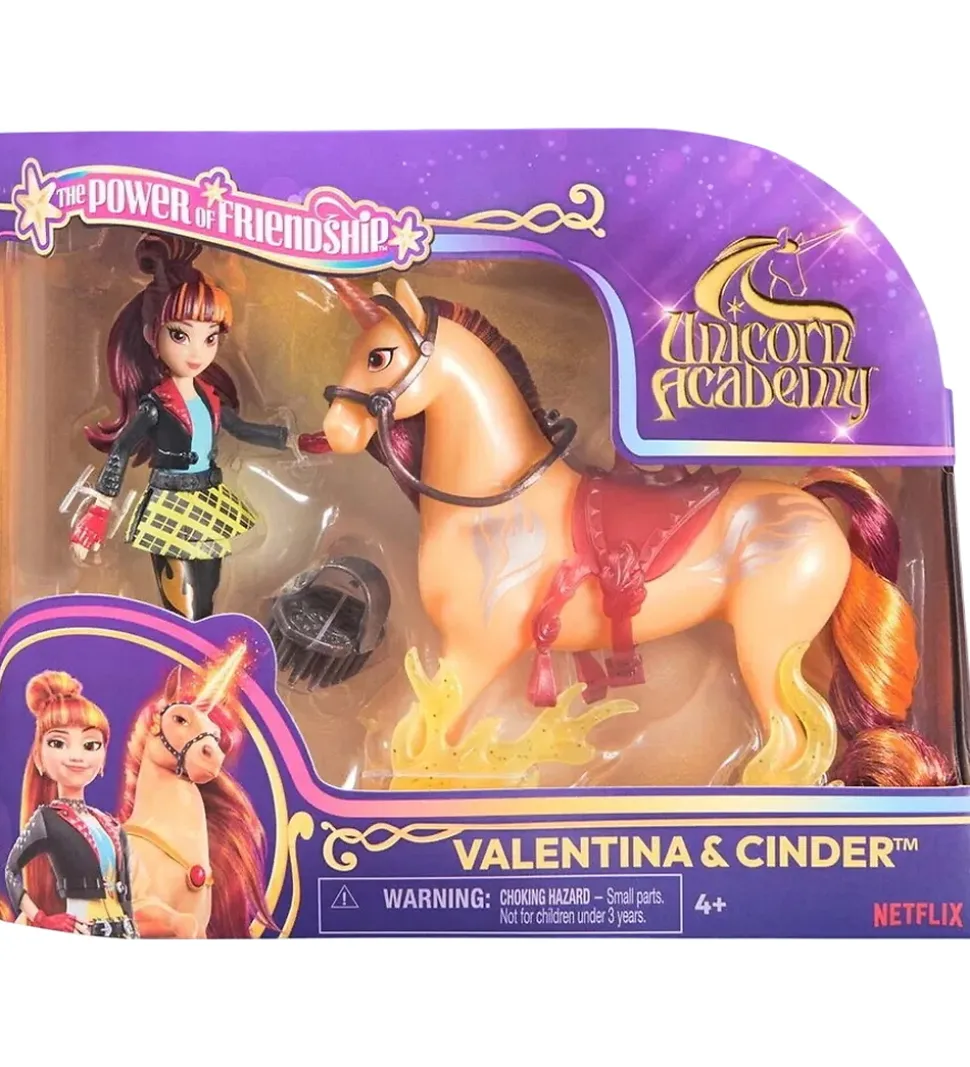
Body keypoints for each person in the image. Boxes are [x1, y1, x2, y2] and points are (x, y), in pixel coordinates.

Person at [70, 232, 317, 620]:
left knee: (208, 592)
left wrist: (296, 441)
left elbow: (243, 429)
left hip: (208, 497)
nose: (197, 352)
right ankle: (180, 646)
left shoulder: (211, 398)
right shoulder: (156, 404)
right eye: (180, 335)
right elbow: (121, 449)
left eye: (210, 338)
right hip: (170, 502)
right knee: (181, 599)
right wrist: (100, 508)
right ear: (153, 336)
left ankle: (200, 646)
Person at [4, 671, 138, 938]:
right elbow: (11, 871)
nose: (77, 756)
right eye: (58, 743)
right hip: (82, 930)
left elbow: (126, 895)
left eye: (91, 745)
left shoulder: (110, 825)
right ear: (39, 756)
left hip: (123, 931)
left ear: (103, 757)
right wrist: (41, 918)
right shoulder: (47, 819)